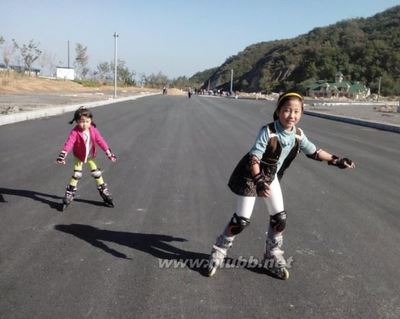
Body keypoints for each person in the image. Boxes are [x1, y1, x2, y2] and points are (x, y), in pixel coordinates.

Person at [207, 92, 355, 279]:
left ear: (301, 113)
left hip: (269, 177)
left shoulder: (298, 135)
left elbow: (314, 152)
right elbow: (254, 157)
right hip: (251, 176)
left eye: (296, 111)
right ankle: (218, 251)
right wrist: (259, 181)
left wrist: (337, 160)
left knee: (279, 218)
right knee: (241, 221)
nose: (291, 115)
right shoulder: (268, 131)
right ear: (278, 111)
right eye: (286, 110)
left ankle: (271, 257)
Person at [56, 106, 117, 210]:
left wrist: (109, 153)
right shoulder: (75, 132)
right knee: (77, 174)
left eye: (87, 121)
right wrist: (63, 155)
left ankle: (104, 191)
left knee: (97, 173)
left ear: (91, 121)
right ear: (76, 121)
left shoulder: (93, 130)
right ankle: (69, 193)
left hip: (90, 156)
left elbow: (101, 141)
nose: (84, 124)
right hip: (79, 156)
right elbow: (69, 143)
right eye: (81, 121)